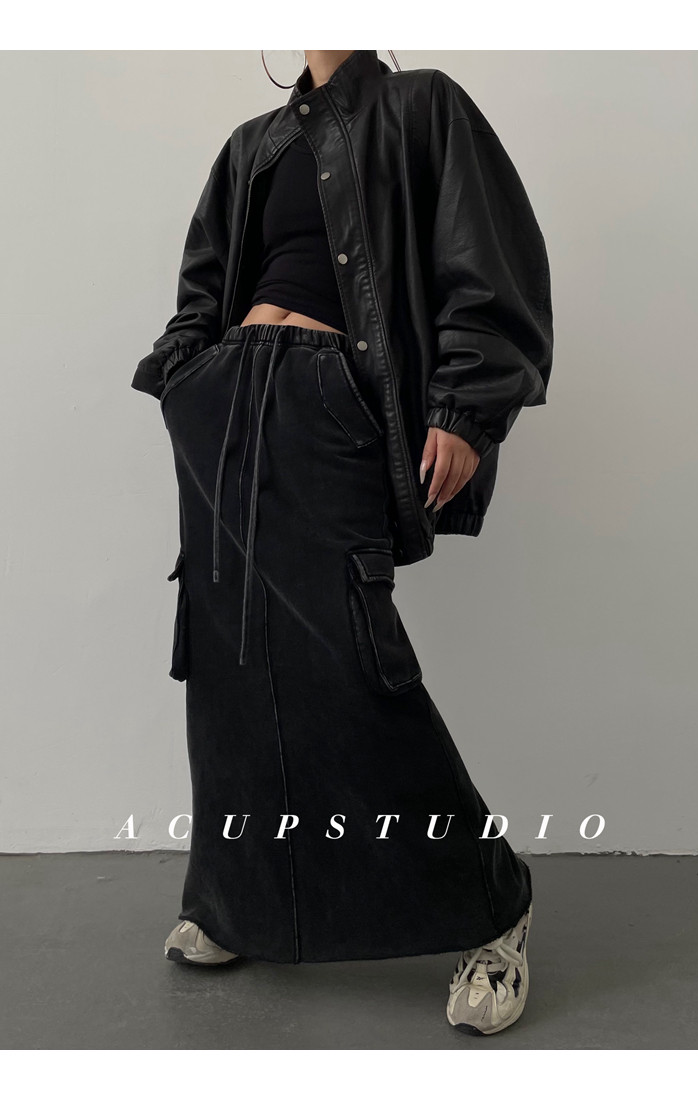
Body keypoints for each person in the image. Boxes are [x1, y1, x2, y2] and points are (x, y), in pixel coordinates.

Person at [132, 49, 552, 1037]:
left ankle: (493, 903)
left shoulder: (421, 106)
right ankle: (235, 901)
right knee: (229, 657)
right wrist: (187, 379)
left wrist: (465, 407)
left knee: (350, 660)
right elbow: (202, 285)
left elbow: (488, 263)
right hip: (228, 399)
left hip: (333, 396)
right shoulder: (251, 146)